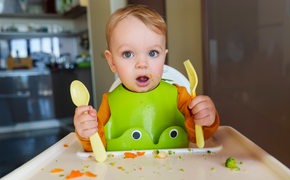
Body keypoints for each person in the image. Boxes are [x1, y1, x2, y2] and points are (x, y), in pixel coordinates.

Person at [73, 4, 220, 151]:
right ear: (112, 62)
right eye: (128, 54)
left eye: (153, 53)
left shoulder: (180, 96)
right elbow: (97, 146)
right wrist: (87, 132)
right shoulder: (109, 102)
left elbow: (199, 137)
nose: (142, 64)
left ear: (164, 58)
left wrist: (205, 119)